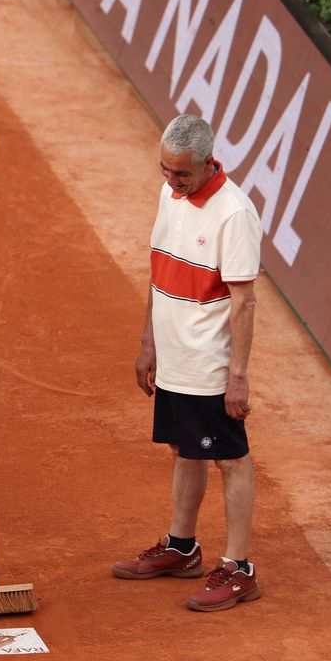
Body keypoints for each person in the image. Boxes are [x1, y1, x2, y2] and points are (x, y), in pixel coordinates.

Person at [112, 114, 262, 612]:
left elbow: (244, 303)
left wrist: (236, 377)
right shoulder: (168, 194)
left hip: (210, 362)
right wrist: (149, 339)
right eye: (165, 170)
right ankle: (182, 547)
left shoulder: (233, 214)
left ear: (207, 162)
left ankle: (239, 568)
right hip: (173, 353)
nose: (172, 182)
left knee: (229, 457)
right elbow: (161, 272)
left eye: (182, 174)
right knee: (182, 448)